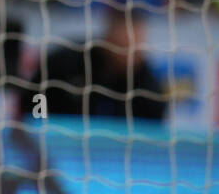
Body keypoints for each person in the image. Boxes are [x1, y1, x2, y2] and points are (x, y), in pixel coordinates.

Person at [32, 8, 167, 123]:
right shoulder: (67, 63)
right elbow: (33, 99)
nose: (130, 57)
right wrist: (45, 128)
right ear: (108, 38)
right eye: (125, 46)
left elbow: (151, 130)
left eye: (136, 49)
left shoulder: (148, 87)